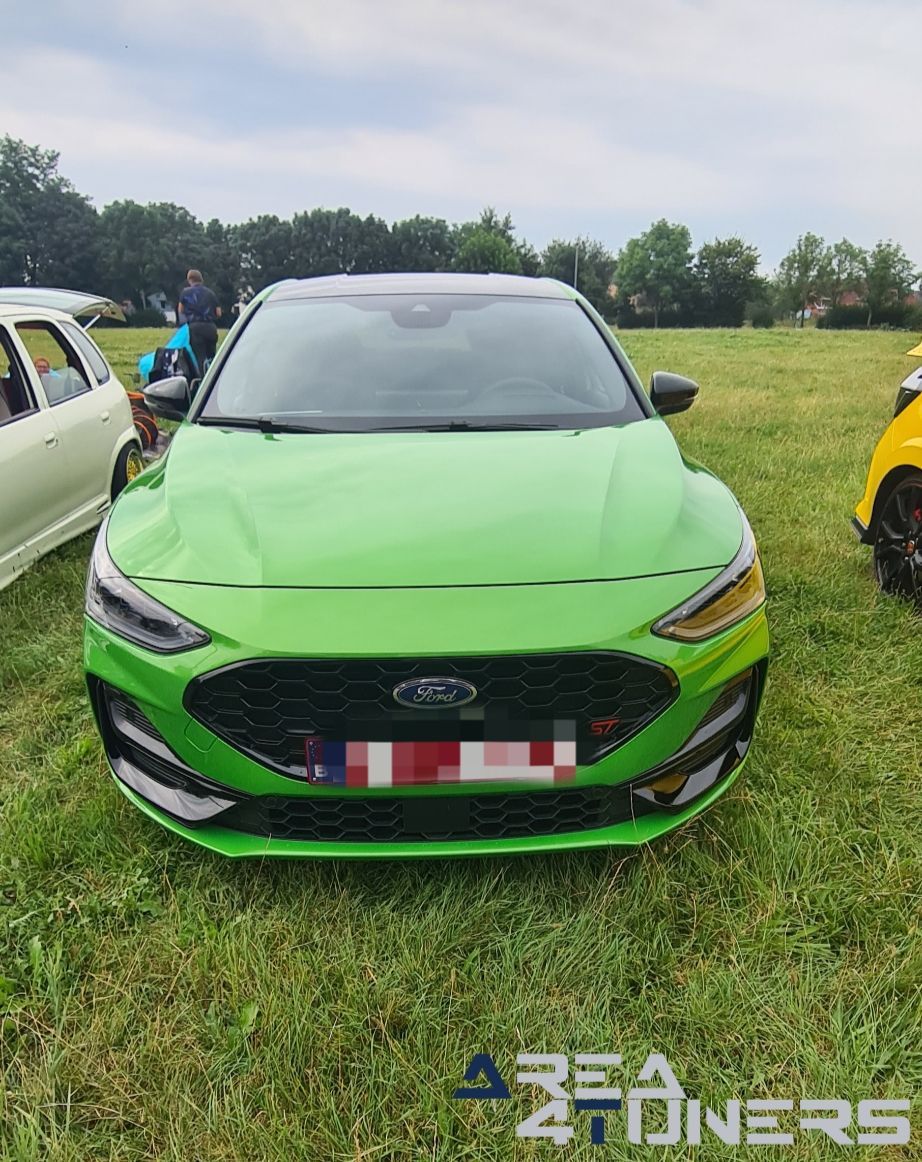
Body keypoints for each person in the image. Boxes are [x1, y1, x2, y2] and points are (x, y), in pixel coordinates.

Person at [178, 269, 221, 375]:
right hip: (210, 327)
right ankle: (215, 377)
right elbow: (218, 313)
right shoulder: (210, 293)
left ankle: (204, 382)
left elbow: (181, 310)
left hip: (195, 327)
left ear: (189, 280)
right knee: (212, 357)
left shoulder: (185, 292)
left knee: (200, 357)